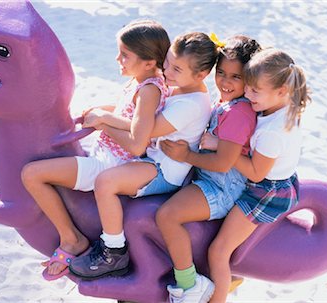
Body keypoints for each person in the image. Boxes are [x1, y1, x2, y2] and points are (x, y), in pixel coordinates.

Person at [21, 19, 170, 281]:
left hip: (111, 164)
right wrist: (99, 111)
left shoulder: (149, 91)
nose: (118, 59)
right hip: (104, 153)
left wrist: (103, 122)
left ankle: (71, 239)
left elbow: (138, 142)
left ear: (149, 62)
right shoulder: (141, 81)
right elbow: (129, 114)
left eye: (125, 55)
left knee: (32, 174)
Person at [68, 32, 219, 280]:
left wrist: (104, 120)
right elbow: (138, 116)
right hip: (152, 156)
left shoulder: (190, 104)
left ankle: (113, 251)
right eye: (167, 63)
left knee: (105, 182)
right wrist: (101, 110)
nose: (167, 71)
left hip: (164, 170)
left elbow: (143, 129)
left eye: (177, 69)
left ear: (201, 76)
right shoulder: (179, 86)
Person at [155, 34, 262, 302]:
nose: (225, 82)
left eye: (235, 77)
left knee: (167, 216)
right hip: (208, 179)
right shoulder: (226, 101)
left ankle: (189, 285)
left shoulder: (239, 113)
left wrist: (186, 155)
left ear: (249, 78)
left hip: (221, 188)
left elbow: (224, 162)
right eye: (221, 73)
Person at [207, 48, 311, 303]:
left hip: (266, 191)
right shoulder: (279, 105)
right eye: (248, 86)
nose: (248, 94)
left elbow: (256, 170)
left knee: (218, 250)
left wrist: (218, 144)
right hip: (275, 179)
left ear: (281, 91)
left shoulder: (273, 132)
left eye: (255, 91)